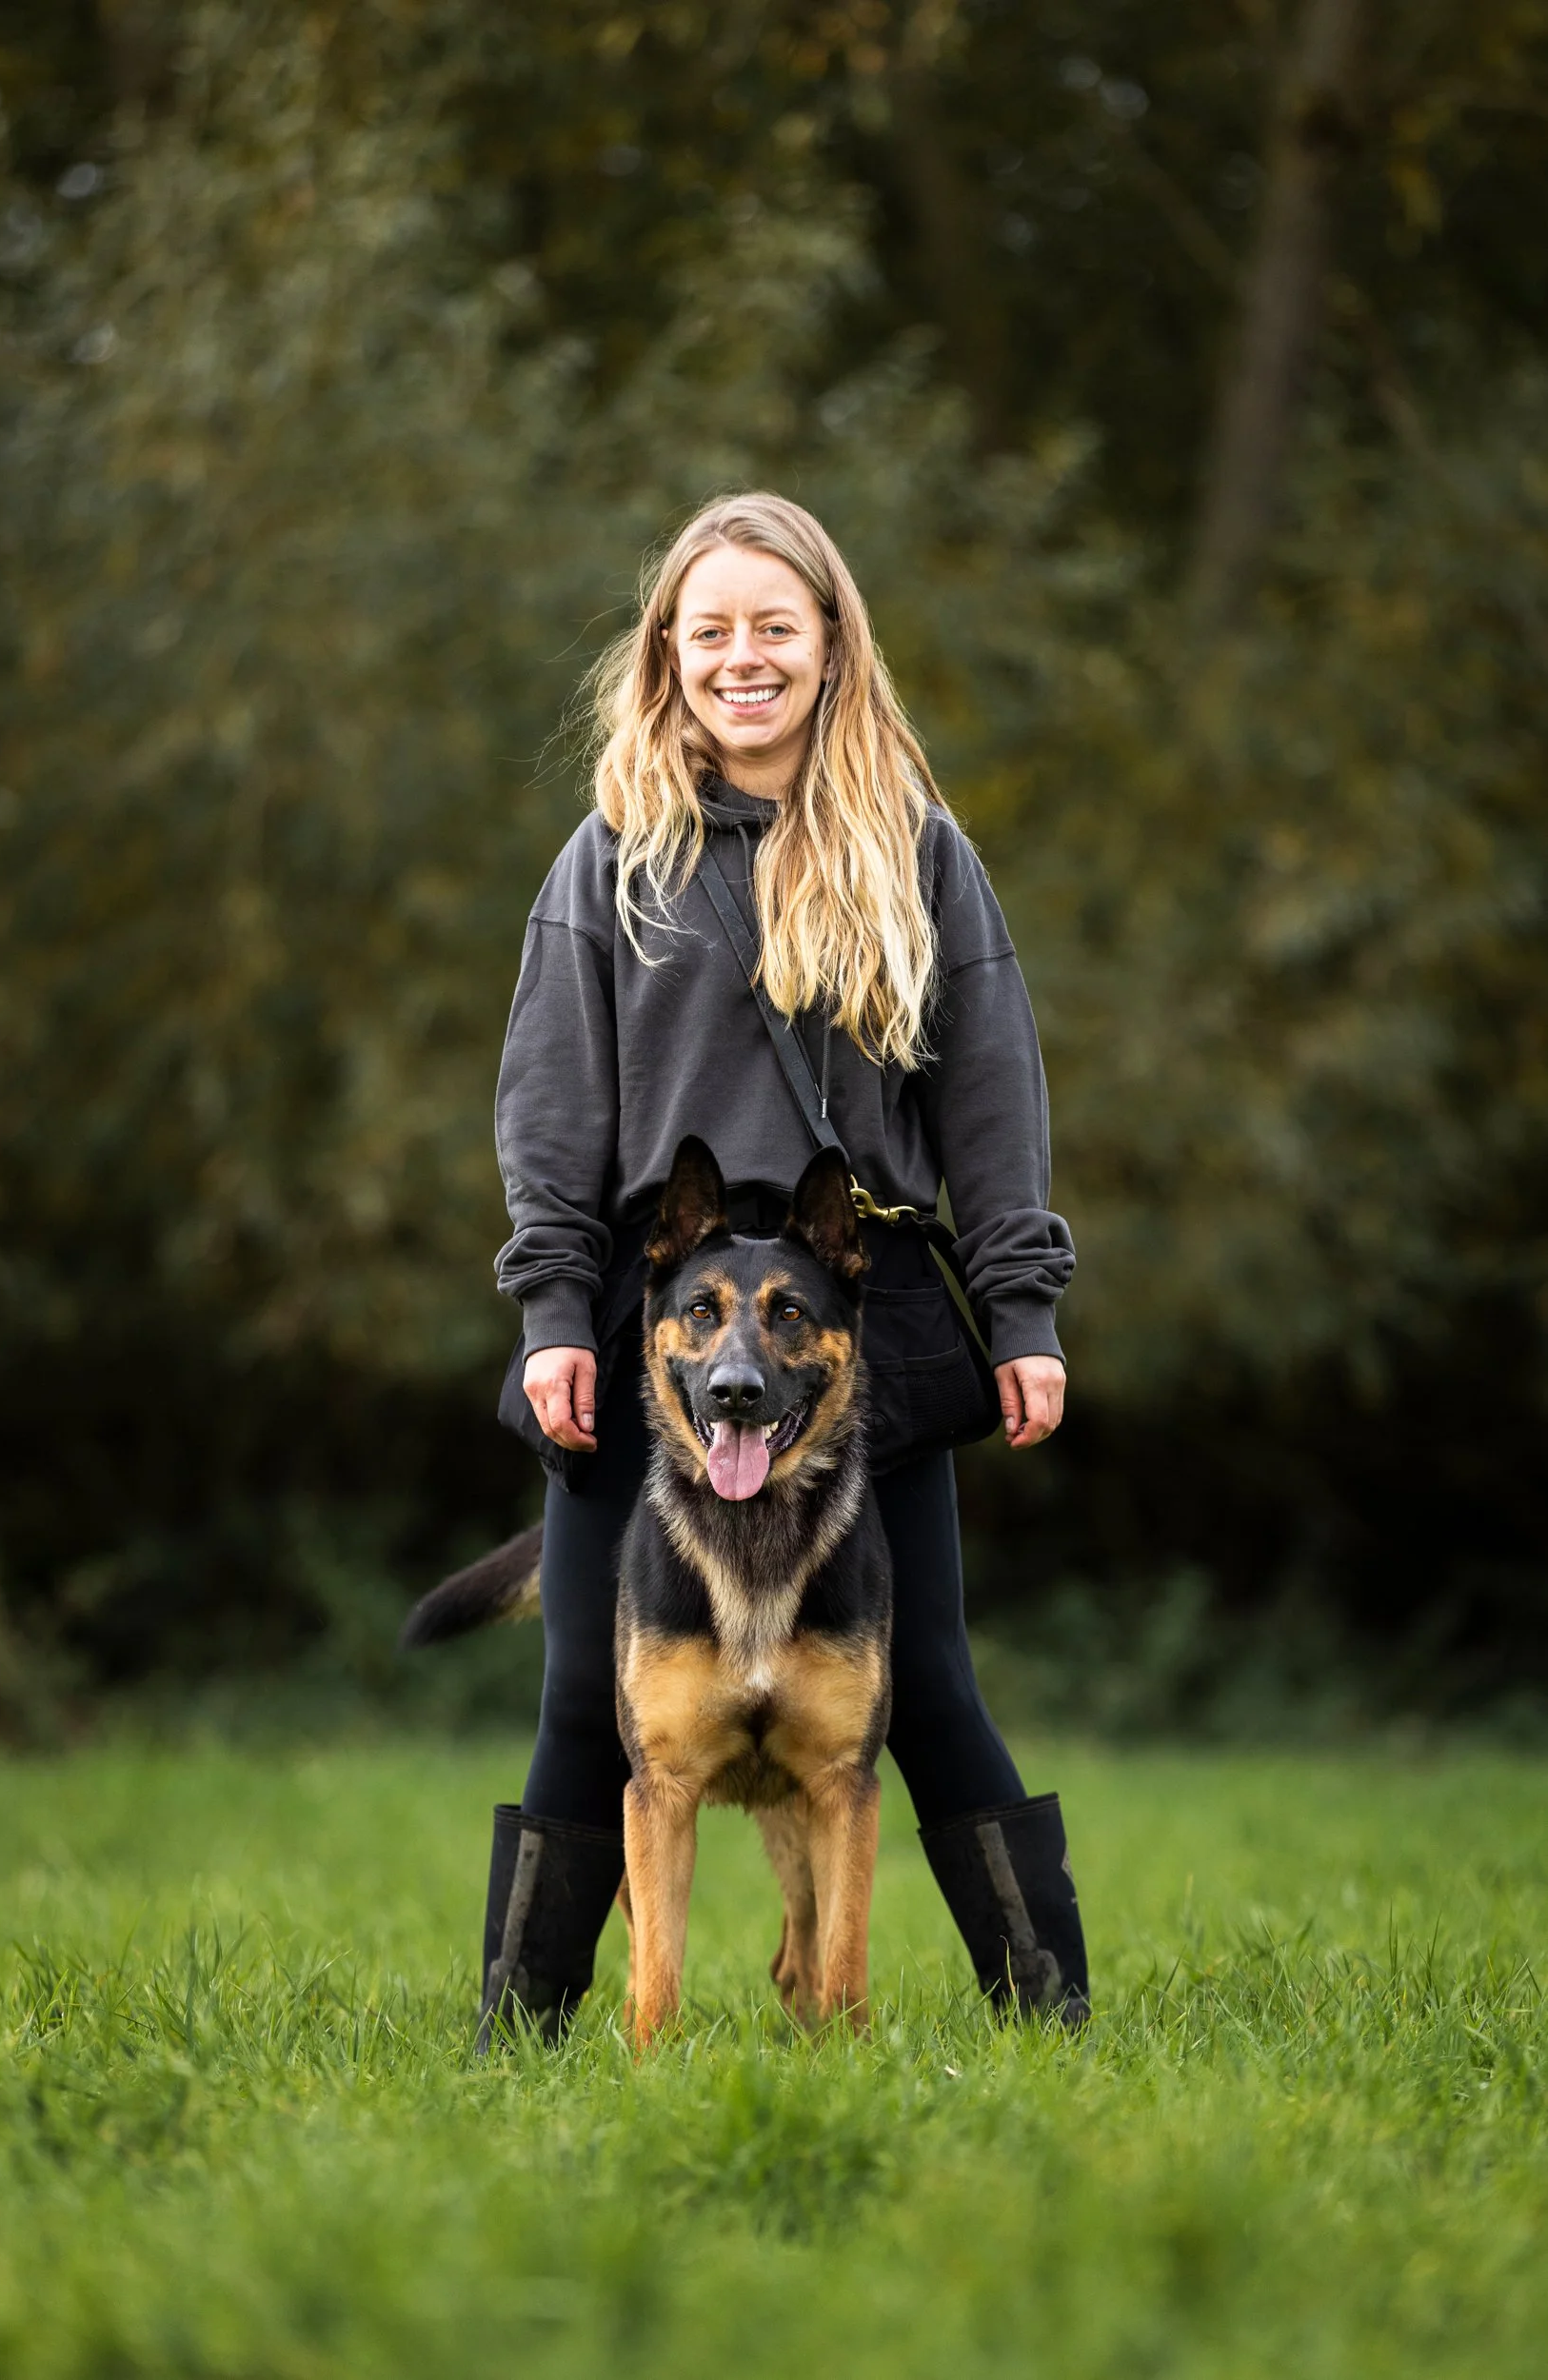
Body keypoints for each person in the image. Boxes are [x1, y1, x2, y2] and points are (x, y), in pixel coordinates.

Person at [480, 492, 1087, 2036]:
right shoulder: (613, 856)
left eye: (774, 626)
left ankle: (1053, 2022)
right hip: (661, 1310)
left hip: (846, 1313)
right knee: (585, 1700)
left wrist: (1022, 1308)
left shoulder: (918, 851)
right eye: (710, 630)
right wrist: (553, 1311)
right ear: (666, 652)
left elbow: (990, 1099)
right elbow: (550, 1108)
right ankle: (515, 2041)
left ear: (830, 644)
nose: (741, 656)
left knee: (925, 1686)